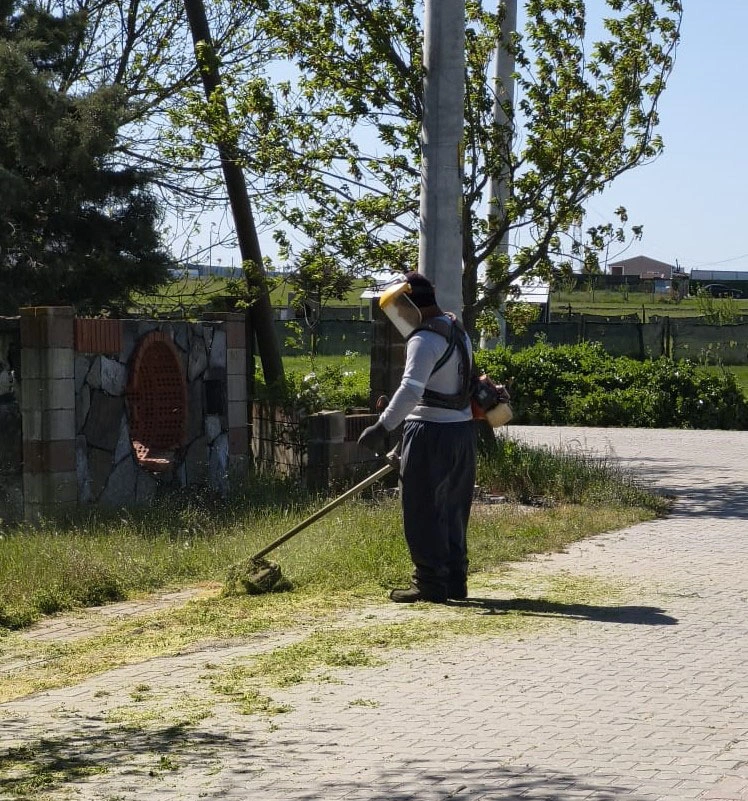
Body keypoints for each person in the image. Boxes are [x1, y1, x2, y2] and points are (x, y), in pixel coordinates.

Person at [358, 272, 477, 603]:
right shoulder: (456, 329)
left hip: (429, 434)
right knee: (453, 509)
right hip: (462, 433)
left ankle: (428, 583)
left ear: (410, 303)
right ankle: (455, 581)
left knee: (422, 509)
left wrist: (383, 426)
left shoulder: (423, 339)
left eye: (399, 306)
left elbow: (411, 389)